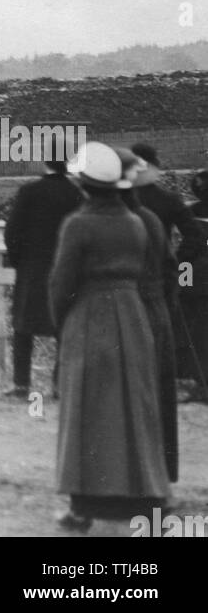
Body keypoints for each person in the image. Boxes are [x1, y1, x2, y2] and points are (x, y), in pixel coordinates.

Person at [50, 142, 169, 532]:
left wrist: (61, 323)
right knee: (135, 405)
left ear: (84, 186)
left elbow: (61, 284)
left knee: (87, 408)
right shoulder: (136, 222)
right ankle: (145, 497)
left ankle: (83, 506)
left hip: (89, 314)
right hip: (132, 314)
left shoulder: (78, 224)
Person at [116, 148, 178, 484]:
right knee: (157, 399)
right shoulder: (152, 219)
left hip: (123, 314)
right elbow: (171, 271)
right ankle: (160, 477)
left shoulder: (101, 222)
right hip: (156, 312)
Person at [2, 144, 81, 398]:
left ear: (44, 161)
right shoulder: (77, 194)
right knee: (64, 329)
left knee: (23, 328)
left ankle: (21, 385)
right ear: (67, 162)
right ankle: (60, 386)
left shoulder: (29, 191)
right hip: (65, 271)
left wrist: (18, 262)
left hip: (32, 270)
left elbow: (12, 232)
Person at [177, 168, 208, 403]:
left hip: (194, 278)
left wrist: (182, 281)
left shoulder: (190, 213)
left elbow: (186, 252)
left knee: (196, 331)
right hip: (195, 277)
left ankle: (199, 381)